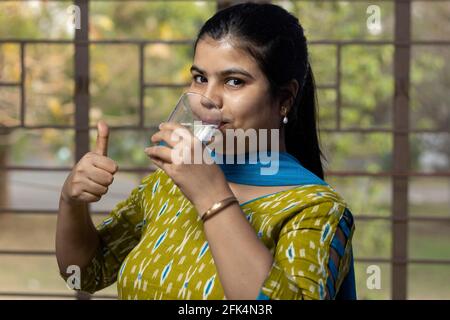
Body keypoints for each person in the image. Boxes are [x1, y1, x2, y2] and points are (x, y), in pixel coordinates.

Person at [56, 2, 356, 300]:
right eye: (200, 78)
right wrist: (71, 200)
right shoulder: (167, 184)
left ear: (285, 99)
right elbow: (86, 273)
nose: (207, 99)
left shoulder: (314, 209)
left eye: (234, 81)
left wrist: (211, 196)